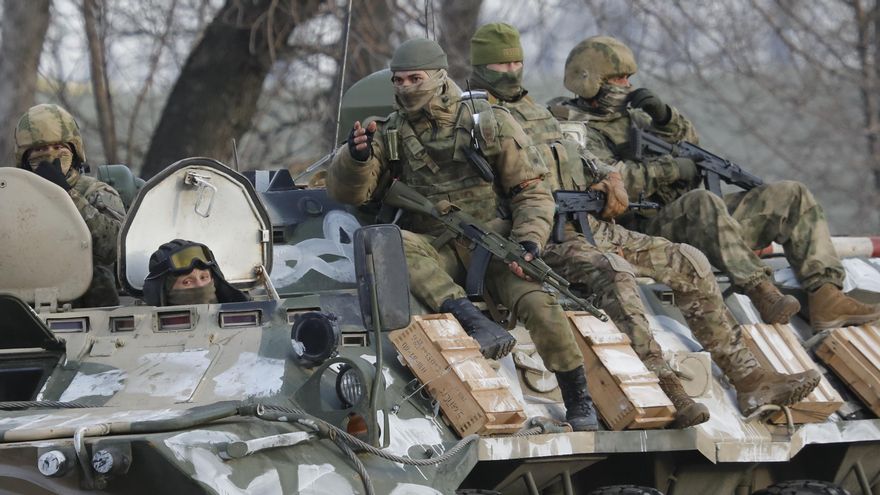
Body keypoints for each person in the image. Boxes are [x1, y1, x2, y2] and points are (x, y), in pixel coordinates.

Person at [468, 23, 820, 421]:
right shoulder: (475, 117)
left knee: (688, 261)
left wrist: (606, 176)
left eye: (516, 62)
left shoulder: (535, 111)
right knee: (615, 274)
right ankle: (670, 389)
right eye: (500, 64)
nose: (511, 70)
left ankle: (751, 380)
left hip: (586, 223)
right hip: (539, 237)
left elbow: (574, 153)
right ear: (480, 66)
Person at [327, 38, 598, 431]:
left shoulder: (488, 122)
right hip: (435, 248)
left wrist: (529, 242)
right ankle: (470, 319)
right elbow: (352, 193)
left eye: (415, 79)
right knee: (389, 242)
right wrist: (356, 158)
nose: (406, 87)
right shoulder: (388, 133)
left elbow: (531, 191)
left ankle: (578, 398)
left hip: (495, 245)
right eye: (399, 80)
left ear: (439, 77)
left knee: (541, 306)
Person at [548, 35, 880, 332]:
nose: (627, 84)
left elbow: (689, 145)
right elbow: (609, 180)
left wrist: (665, 117)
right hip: (636, 231)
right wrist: (669, 169)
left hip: (690, 222)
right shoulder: (569, 127)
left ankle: (826, 296)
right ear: (589, 81)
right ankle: (761, 290)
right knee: (702, 203)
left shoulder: (633, 118)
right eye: (618, 78)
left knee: (791, 195)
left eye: (629, 77)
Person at [14, 103, 125, 308]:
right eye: (40, 149)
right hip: (24, 299)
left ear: (74, 150)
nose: (50, 154)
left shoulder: (95, 191)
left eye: (58, 147)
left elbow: (113, 248)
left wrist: (65, 194)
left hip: (88, 305)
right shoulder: (13, 197)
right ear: (25, 157)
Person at [143, 239, 249, 306]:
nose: (200, 285)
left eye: (204, 277)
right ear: (165, 292)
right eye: (187, 282)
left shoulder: (245, 317)